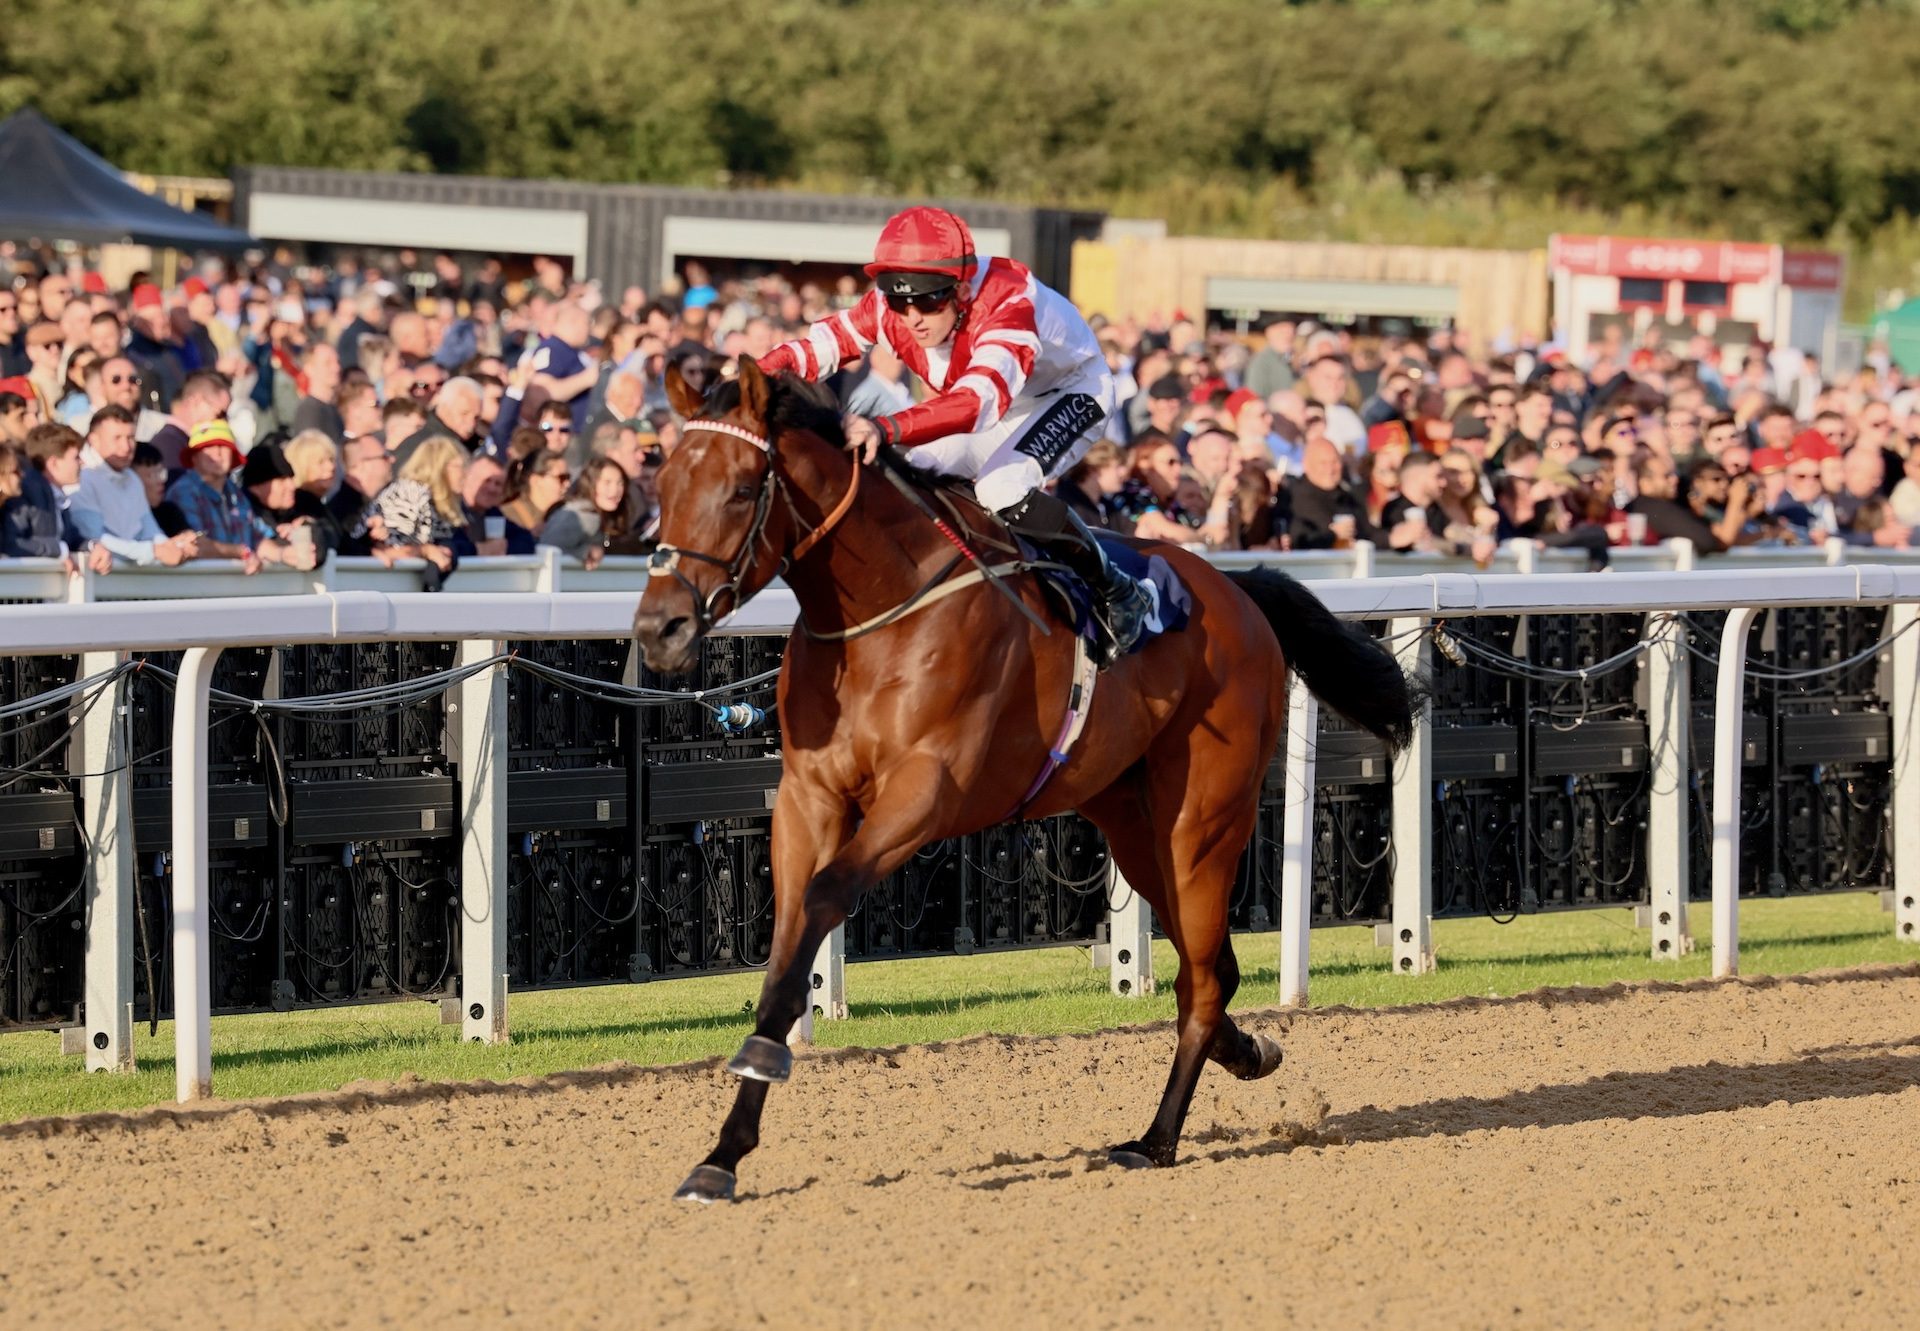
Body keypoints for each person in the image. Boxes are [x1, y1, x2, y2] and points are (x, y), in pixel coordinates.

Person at [757, 206, 1149, 662]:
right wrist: (746, 380)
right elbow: (820, 348)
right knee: (912, 476)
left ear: (961, 290)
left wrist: (886, 428)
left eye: (929, 300)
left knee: (1002, 487)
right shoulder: (893, 306)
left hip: (1068, 393)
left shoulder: (1007, 303)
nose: (912, 317)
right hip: (988, 399)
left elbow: (978, 404)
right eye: (900, 301)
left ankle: (1116, 588)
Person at [164, 420, 305, 572]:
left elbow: (256, 537)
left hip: (236, 588)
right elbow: (196, 545)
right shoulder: (184, 492)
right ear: (194, 457)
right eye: (208, 448)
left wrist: (283, 554)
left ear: (233, 455)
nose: (217, 453)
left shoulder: (235, 492)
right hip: (201, 587)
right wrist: (242, 552)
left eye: (223, 446)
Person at [70, 408, 197, 567]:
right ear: (94, 440)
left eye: (130, 438)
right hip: (95, 582)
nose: (126, 446)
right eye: (117, 438)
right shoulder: (80, 478)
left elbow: (150, 531)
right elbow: (94, 539)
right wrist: (155, 551)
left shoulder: (132, 479)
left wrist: (176, 546)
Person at [359, 434, 464, 574]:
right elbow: (391, 550)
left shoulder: (439, 501)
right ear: (439, 466)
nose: (465, 473)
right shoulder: (408, 494)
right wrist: (426, 551)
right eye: (459, 467)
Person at [538, 457, 635, 568]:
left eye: (620, 483)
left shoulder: (606, 517)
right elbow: (548, 549)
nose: (615, 490)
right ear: (590, 484)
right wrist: (584, 553)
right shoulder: (584, 516)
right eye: (607, 483)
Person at [500, 450, 571, 537]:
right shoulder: (508, 517)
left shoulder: (567, 515)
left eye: (568, 477)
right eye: (561, 478)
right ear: (535, 480)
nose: (567, 484)